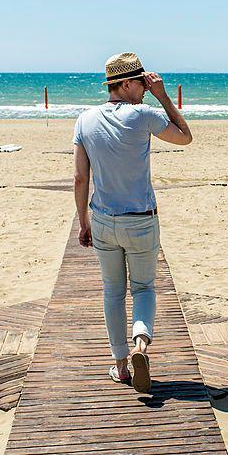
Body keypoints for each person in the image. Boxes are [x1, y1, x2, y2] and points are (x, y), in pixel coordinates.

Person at [72, 52, 192, 393]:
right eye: (142, 82)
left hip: (104, 219)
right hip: (141, 220)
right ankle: (141, 344)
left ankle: (122, 367)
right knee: (143, 288)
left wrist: (84, 222)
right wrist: (163, 96)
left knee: (112, 291)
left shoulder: (85, 120)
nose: (146, 88)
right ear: (126, 84)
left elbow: (80, 178)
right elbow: (185, 137)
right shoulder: (145, 115)